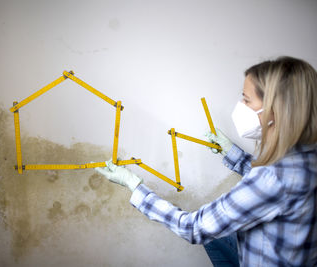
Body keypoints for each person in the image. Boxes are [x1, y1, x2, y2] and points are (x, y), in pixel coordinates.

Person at [95, 56, 317, 266]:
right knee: (217, 238)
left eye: (246, 99)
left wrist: (136, 188)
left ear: (274, 111)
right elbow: (274, 186)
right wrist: (231, 152)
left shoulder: (272, 177)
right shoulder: (306, 157)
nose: (240, 104)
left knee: (210, 232)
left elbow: (194, 228)